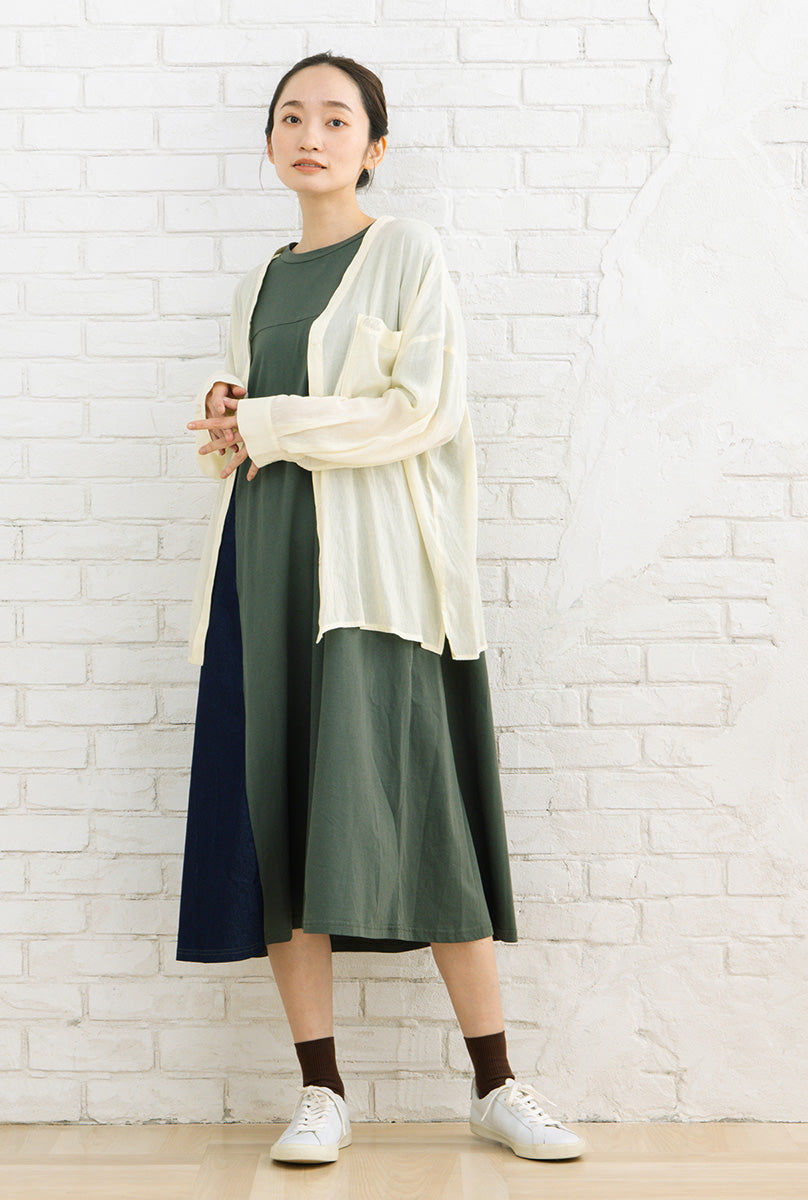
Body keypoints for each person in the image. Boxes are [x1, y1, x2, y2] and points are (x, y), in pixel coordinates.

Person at [176, 51, 587, 1166]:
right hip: (264, 570)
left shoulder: (406, 252)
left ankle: (496, 1084)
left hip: (374, 581)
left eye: (335, 118)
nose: (310, 135)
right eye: (290, 117)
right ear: (269, 142)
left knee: (421, 811)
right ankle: (320, 1090)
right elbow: (246, 445)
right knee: (280, 818)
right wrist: (229, 413)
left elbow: (424, 410)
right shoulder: (259, 282)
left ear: (374, 146)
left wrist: (268, 420)